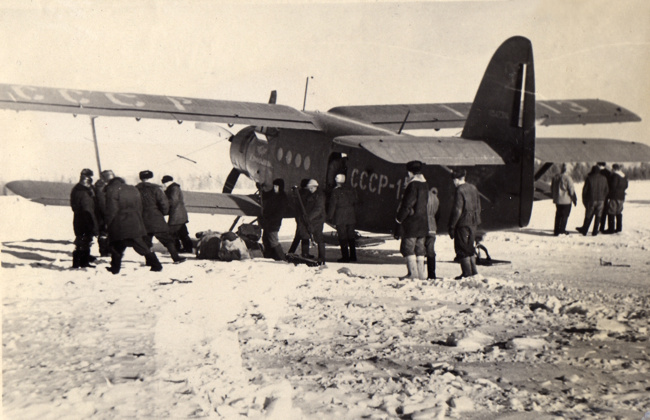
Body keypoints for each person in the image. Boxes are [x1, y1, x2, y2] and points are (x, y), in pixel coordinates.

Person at [104, 174, 163, 273]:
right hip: (135, 221)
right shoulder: (133, 189)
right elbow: (139, 207)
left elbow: (112, 210)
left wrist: (109, 224)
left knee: (118, 245)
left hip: (120, 223)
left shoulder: (112, 190)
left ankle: (157, 265)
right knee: (127, 245)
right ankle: (114, 268)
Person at [136, 170, 186, 263]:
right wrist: (163, 213)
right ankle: (175, 257)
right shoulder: (156, 189)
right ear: (151, 178)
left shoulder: (135, 189)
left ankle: (149, 260)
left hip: (142, 219)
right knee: (167, 239)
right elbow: (164, 203)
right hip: (156, 217)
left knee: (146, 241)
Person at [395, 161, 429, 280]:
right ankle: (421, 274)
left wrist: (399, 218)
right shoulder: (425, 184)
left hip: (412, 223)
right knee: (420, 249)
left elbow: (407, 205)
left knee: (407, 248)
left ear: (409, 172)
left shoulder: (413, 185)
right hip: (423, 222)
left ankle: (412, 274)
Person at [448, 169, 481, 279]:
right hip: (474, 222)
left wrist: (452, 225)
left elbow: (458, 210)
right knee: (470, 247)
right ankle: (474, 272)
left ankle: (466, 273)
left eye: (453, 180)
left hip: (463, 223)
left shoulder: (459, 190)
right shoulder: (473, 188)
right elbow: (479, 206)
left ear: (456, 179)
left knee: (462, 248)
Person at [70, 169, 99, 268]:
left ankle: (81, 262)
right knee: (84, 240)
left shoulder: (78, 189)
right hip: (85, 218)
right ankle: (81, 262)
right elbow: (87, 207)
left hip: (81, 217)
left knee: (83, 240)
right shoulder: (83, 191)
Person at [327, 173, 358, 262]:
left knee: (342, 237)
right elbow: (356, 201)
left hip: (340, 216)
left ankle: (345, 257)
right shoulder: (351, 190)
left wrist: (329, 216)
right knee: (351, 236)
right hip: (351, 215)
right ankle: (353, 256)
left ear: (336, 181)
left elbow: (333, 205)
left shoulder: (336, 191)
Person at [296, 179, 327, 264]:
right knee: (305, 235)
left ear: (315, 187)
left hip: (317, 220)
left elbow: (318, 209)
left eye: (311, 188)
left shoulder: (320, 196)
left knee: (319, 237)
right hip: (310, 219)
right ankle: (305, 255)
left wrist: (309, 217)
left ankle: (321, 258)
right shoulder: (311, 194)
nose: (309, 189)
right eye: (308, 188)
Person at [162, 175, 194, 253]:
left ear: (168, 182)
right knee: (182, 232)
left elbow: (173, 201)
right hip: (179, 215)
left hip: (176, 215)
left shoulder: (173, 188)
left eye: (164, 183)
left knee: (170, 232)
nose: (164, 185)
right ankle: (188, 248)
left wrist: (164, 205)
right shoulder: (174, 188)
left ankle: (176, 248)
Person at [260, 178, 289, 261]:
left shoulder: (282, 198)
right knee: (265, 239)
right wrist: (261, 188)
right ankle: (269, 256)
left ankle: (281, 258)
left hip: (274, 223)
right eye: (274, 186)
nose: (275, 188)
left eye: (277, 186)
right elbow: (266, 195)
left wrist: (270, 219)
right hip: (268, 222)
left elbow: (280, 213)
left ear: (280, 187)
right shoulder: (273, 194)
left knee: (273, 241)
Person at [576, 165, 609, 236]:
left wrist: (584, 200)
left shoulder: (589, 178)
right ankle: (595, 231)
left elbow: (585, 191)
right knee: (598, 215)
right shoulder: (604, 178)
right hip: (601, 200)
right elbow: (606, 190)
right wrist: (603, 197)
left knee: (588, 214)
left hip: (591, 199)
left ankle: (585, 230)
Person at [551, 163, 577, 236]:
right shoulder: (568, 178)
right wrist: (574, 198)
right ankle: (562, 229)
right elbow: (571, 190)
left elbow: (552, 188)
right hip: (566, 200)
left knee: (558, 215)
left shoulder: (555, 177)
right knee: (565, 215)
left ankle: (556, 230)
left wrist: (554, 196)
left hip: (558, 200)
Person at [94, 169, 115, 257]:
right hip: (104, 214)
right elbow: (102, 202)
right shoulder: (101, 187)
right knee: (104, 232)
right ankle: (104, 251)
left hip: (105, 213)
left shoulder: (102, 186)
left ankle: (108, 250)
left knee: (107, 233)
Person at [604, 163, 628, 233]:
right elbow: (626, 186)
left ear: (614, 169)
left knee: (611, 211)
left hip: (614, 196)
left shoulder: (615, 176)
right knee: (619, 212)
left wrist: (609, 194)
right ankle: (619, 228)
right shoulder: (624, 176)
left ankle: (611, 229)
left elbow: (613, 186)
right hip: (622, 196)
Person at [425, 186, 440, 279]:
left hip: (423, 226)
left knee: (419, 250)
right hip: (432, 227)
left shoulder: (423, 197)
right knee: (430, 251)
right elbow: (438, 215)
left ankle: (417, 272)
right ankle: (432, 274)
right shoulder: (436, 199)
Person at [597, 162, 612, 233]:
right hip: (606, 194)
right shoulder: (609, 173)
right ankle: (602, 227)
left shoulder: (597, 172)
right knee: (604, 212)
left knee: (596, 211)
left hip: (597, 194)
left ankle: (596, 226)